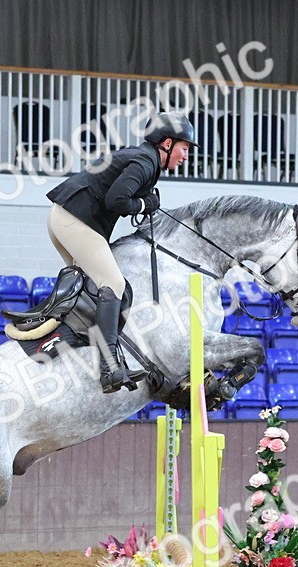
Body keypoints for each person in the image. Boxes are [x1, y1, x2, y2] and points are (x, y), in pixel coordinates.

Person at [44, 111, 197, 393]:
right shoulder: (146, 161)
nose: (186, 156)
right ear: (167, 143)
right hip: (73, 220)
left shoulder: (142, 157)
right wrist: (145, 205)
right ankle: (109, 368)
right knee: (113, 284)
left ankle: (93, 354)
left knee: (101, 289)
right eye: (184, 148)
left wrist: (143, 200)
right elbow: (117, 200)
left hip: (63, 217)